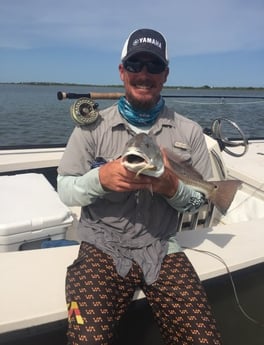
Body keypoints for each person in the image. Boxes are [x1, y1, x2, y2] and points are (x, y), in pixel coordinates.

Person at [57, 28, 222, 345]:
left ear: (165, 74)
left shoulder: (188, 131)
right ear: (122, 72)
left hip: (162, 247)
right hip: (101, 247)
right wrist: (100, 179)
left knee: (205, 339)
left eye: (154, 66)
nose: (144, 74)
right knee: (87, 340)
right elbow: (65, 188)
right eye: (135, 65)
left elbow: (201, 200)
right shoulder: (93, 128)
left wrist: (172, 188)